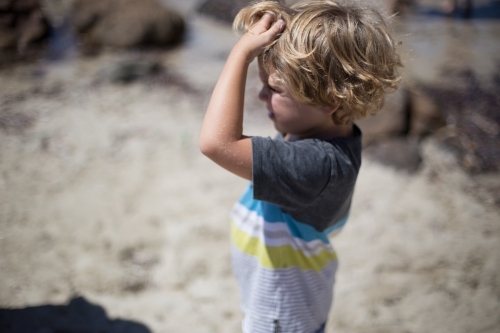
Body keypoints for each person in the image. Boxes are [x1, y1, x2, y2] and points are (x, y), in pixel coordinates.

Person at [199, 0, 402, 332]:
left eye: (274, 88)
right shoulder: (324, 137)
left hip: (281, 314)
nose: (261, 95)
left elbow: (216, 143)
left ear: (327, 101)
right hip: (288, 302)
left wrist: (240, 55)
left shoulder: (318, 166)